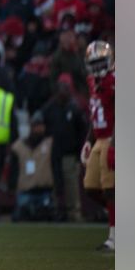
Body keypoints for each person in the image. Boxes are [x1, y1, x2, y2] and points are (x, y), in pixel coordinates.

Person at [40, 74, 90, 221]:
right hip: (53, 153)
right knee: (55, 183)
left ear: (70, 89)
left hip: (70, 153)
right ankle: (57, 212)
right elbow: (40, 122)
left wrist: (80, 152)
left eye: (66, 87)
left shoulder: (75, 109)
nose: (63, 90)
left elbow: (83, 132)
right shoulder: (50, 107)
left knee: (71, 185)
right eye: (61, 87)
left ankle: (74, 213)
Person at [81, 40, 115, 251]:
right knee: (91, 186)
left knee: (112, 189)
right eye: (93, 63)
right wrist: (88, 140)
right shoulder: (92, 81)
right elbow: (96, 114)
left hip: (113, 137)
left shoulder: (114, 80)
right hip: (99, 137)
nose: (97, 67)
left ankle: (114, 237)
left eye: (100, 62)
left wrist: (115, 144)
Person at [11, 112, 56, 221]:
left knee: (46, 215)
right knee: (22, 215)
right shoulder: (18, 146)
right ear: (31, 127)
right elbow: (13, 170)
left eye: (41, 126)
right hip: (25, 191)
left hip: (45, 191)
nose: (39, 129)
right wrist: (11, 185)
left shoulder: (49, 144)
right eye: (36, 126)